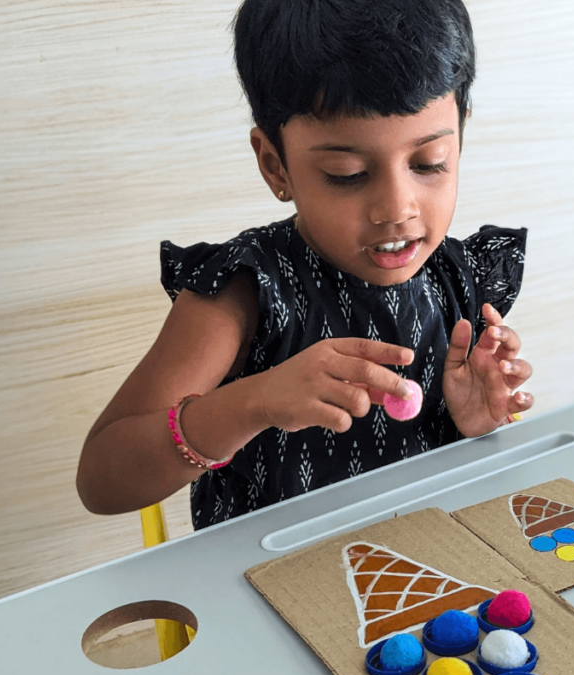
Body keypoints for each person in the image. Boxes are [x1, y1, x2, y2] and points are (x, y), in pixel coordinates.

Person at [76, 0, 534, 529]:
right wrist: (254, 403)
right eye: (346, 173)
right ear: (276, 165)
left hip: (428, 569)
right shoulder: (245, 292)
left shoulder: (460, 276)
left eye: (429, 164)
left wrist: (471, 422)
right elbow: (101, 478)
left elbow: (459, 482)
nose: (397, 209)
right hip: (269, 586)